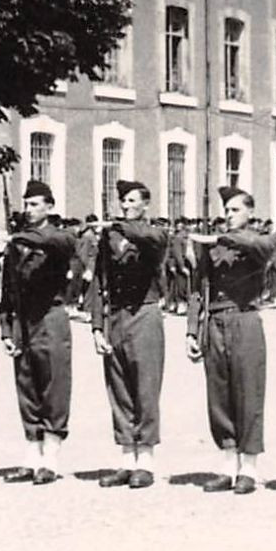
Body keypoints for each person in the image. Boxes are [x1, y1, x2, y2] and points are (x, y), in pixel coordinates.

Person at [186, 185, 276, 495]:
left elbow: (260, 248)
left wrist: (219, 238)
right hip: (216, 320)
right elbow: (198, 288)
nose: (229, 215)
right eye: (226, 211)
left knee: (248, 392)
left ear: (251, 212)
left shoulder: (261, 240)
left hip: (245, 318)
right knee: (219, 394)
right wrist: (191, 330)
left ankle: (248, 467)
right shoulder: (211, 245)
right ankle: (227, 465)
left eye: (235, 210)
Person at [0, 181, 77, 484]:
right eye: (26, 204)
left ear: (49, 207)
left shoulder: (60, 237)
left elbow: (61, 245)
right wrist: (6, 327)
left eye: (34, 205)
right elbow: (8, 290)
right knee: (27, 385)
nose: (28, 210)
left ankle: (51, 458)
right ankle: (32, 457)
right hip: (25, 320)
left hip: (51, 316)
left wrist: (21, 237)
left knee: (53, 385)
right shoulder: (17, 245)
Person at [89, 180, 169, 489]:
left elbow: (150, 239)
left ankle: (145, 461)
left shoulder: (153, 233)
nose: (125, 205)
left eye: (132, 200)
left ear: (145, 205)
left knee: (145, 387)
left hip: (145, 312)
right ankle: (127, 460)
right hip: (118, 315)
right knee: (119, 387)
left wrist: (120, 227)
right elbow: (100, 280)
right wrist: (98, 325)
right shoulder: (110, 237)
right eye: (122, 200)